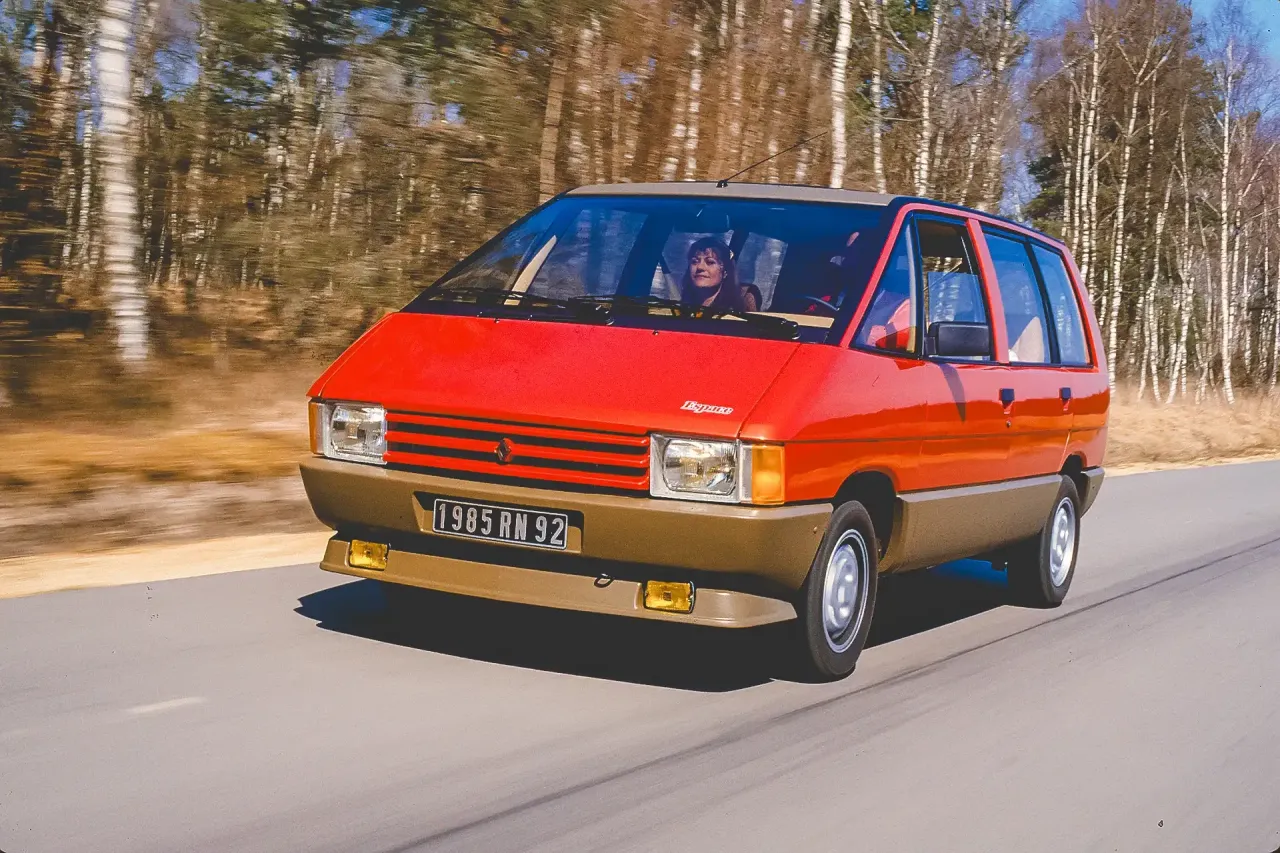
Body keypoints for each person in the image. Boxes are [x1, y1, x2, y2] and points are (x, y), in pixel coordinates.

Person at [681, 237, 746, 311]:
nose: (700, 267)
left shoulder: (736, 312)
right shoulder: (679, 307)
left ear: (725, 271)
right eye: (694, 262)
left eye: (710, 262)